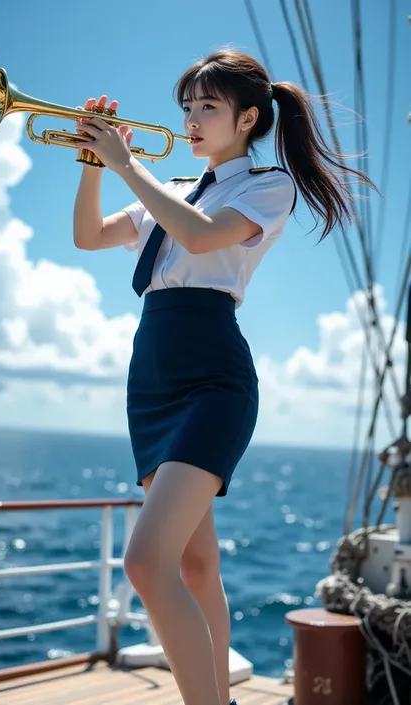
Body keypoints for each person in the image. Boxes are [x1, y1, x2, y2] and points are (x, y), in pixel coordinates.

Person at [72, 48, 378, 705]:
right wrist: (94, 167)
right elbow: (88, 236)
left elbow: (204, 237)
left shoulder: (266, 185)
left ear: (247, 119)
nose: (191, 118)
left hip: (213, 376)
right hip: (152, 377)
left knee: (146, 562)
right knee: (195, 564)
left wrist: (128, 165)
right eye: (187, 106)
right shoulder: (174, 190)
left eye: (207, 106)